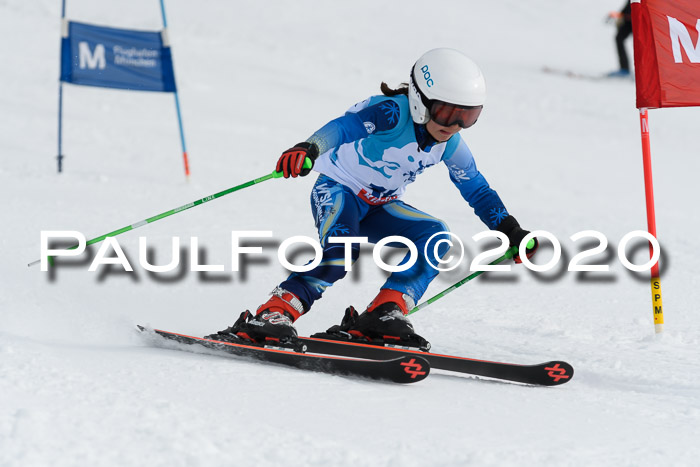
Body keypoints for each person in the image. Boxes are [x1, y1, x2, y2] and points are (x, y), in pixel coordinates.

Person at [208, 48, 538, 346]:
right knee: (341, 252)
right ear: (421, 101)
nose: (454, 126)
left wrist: (511, 230)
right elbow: (344, 127)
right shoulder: (390, 113)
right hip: (339, 190)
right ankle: (271, 315)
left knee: (436, 236)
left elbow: (476, 188)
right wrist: (309, 147)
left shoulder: (448, 143)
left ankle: (384, 313)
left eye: (468, 117)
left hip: (380, 204)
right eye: (447, 112)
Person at [607, 1, 632, 77]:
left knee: (643, 45)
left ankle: (648, 71)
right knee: (619, 38)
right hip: (629, 20)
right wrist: (621, 15)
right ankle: (624, 69)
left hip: (640, 19)